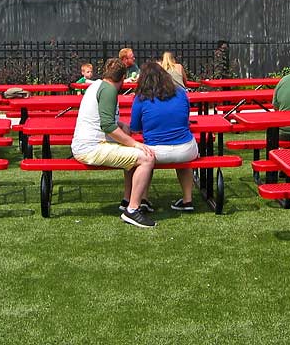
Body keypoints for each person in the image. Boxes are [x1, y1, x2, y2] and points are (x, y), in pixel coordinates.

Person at [71, 58, 160, 226]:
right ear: (123, 77)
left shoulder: (98, 85)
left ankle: (127, 200)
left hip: (87, 145)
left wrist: (121, 125)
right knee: (147, 158)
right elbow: (107, 126)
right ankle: (132, 210)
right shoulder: (109, 90)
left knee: (132, 154)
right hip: (91, 149)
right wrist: (134, 143)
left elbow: (102, 119)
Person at [130, 64, 200, 213]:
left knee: (143, 158)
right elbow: (185, 118)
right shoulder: (181, 93)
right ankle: (187, 199)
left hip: (156, 151)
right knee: (183, 162)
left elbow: (135, 128)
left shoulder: (140, 98)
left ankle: (143, 199)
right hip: (186, 149)